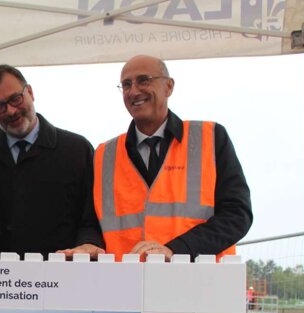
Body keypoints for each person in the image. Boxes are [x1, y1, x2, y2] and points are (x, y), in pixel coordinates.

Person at [94, 54, 252, 260]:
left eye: (144, 80)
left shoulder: (211, 138)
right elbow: (90, 223)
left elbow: (237, 215)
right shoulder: (104, 154)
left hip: (198, 281)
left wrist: (178, 249)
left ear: (169, 87)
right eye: (126, 84)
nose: (133, 91)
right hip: (127, 283)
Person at [0, 64, 103, 258]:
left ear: (30, 92)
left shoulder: (77, 149)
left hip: (61, 275)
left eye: (15, 99)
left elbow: (92, 215)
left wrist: (88, 244)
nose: (10, 111)